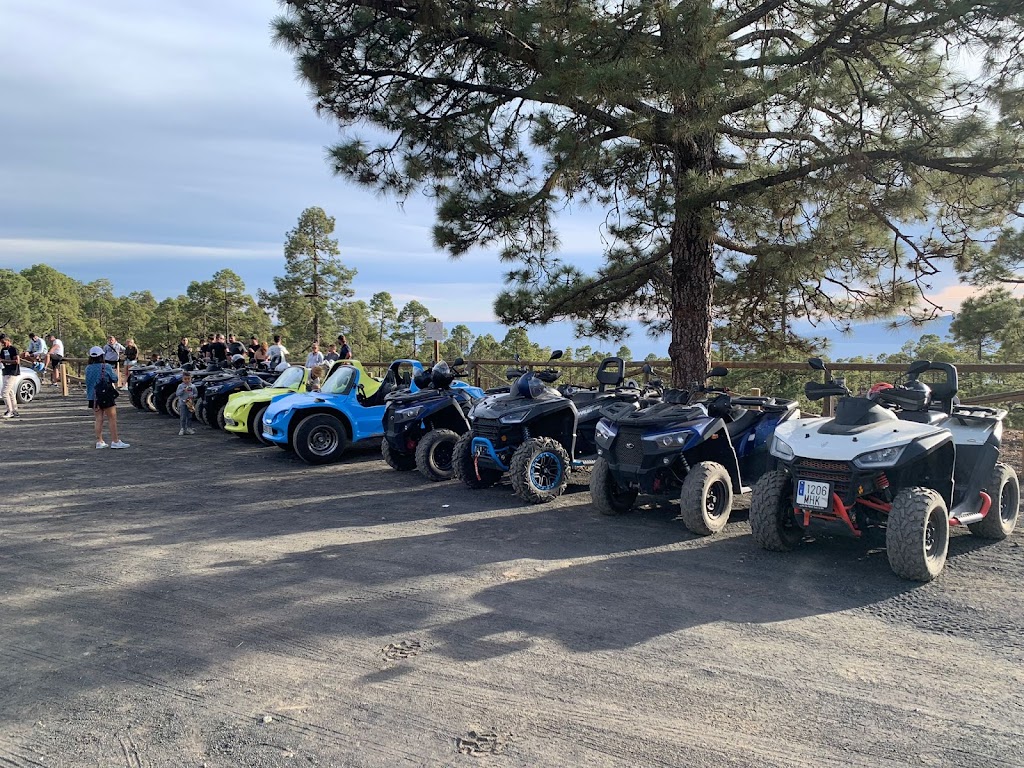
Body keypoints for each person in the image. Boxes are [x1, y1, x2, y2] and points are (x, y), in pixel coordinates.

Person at [85, 346, 129, 449]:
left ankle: (99, 441)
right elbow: (114, 379)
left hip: (93, 396)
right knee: (112, 418)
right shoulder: (106, 366)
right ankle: (115, 440)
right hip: (105, 395)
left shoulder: (88, 368)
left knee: (98, 419)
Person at [0, 334, 21, 418]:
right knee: (10, 392)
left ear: (8, 340)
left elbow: (17, 361)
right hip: (5, 371)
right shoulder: (3, 350)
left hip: (12, 372)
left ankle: (10, 410)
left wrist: (3, 360)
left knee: (4, 392)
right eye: (1, 343)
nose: (3, 344)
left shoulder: (13, 349)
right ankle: (14, 410)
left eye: (4, 342)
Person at [176, 371, 198, 436]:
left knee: (189, 416)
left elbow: (196, 394)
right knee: (183, 416)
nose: (187, 380)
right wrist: (182, 390)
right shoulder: (180, 386)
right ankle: (182, 428)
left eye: (188, 379)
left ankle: (189, 428)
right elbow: (177, 394)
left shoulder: (193, 386)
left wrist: (193, 396)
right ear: (182, 379)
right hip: (182, 403)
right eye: (185, 379)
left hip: (190, 403)